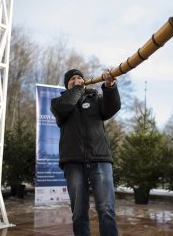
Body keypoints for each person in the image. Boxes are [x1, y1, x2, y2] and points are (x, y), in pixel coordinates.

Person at [50, 68, 121, 236]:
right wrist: (78, 88)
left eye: (79, 77)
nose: (76, 80)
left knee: (106, 210)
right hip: (73, 161)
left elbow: (113, 107)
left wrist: (109, 85)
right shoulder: (58, 103)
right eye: (72, 79)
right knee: (79, 212)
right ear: (67, 85)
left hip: (100, 159)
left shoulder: (95, 98)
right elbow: (66, 106)